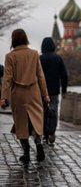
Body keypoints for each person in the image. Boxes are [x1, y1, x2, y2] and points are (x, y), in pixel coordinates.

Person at [0, 29, 50, 164]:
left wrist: (3, 97)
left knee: (21, 122)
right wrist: (45, 95)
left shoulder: (10, 56)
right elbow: (40, 76)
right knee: (35, 120)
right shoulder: (34, 54)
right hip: (33, 92)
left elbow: (7, 79)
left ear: (13, 40)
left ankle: (26, 152)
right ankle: (38, 143)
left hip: (18, 93)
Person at [39, 37, 68, 145]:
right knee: (53, 110)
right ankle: (51, 131)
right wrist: (64, 89)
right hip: (54, 90)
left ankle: (43, 132)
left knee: (42, 111)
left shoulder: (39, 58)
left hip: (41, 91)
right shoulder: (58, 58)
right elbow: (64, 75)